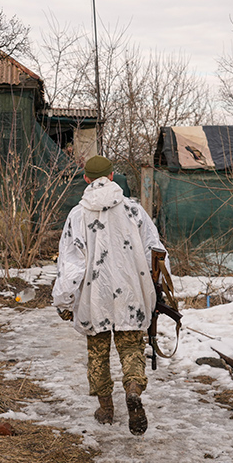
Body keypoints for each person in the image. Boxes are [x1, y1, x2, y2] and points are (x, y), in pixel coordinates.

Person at [52, 155, 168, 435]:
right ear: (113, 176)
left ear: (86, 179)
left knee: (98, 354)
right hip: (131, 294)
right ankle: (133, 391)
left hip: (95, 297)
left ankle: (106, 409)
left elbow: (71, 264)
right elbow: (156, 251)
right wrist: (158, 289)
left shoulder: (78, 215)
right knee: (131, 348)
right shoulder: (134, 211)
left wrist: (64, 301)